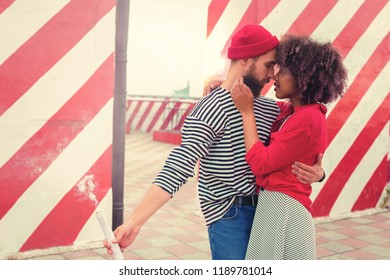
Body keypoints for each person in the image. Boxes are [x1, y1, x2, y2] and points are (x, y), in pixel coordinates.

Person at [104, 25, 325, 260]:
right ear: (246, 60)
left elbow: (303, 139)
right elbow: (179, 166)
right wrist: (135, 222)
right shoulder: (211, 108)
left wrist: (319, 173)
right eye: (268, 65)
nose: (272, 75)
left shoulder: (270, 108)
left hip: (267, 210)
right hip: (230, 214)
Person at [231, 34, 347, 259]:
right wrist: (227, 88)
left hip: (282, 205)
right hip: (278, 202)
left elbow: (260, 163)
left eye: (282, 70)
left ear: (304, 76)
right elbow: (258, 103)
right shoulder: (293, 113)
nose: (275, 77)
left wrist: (246, 113)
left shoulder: (307, 119)